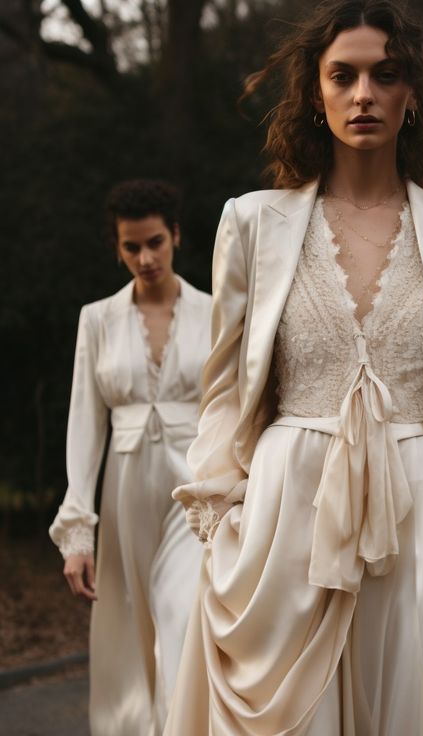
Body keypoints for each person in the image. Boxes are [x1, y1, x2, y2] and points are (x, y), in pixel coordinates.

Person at [165, 2, 423, 734]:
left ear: (413, 95)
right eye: (343, 75)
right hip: (285, 512)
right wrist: (225, 512)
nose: (364, 93)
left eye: (386, 74)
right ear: (315, 92)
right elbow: (224, 391)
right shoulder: (251, 223)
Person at [49, 179, 212, 736]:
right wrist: (78, 530)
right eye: (131, 247)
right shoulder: (97, 320)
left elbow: (234, 415)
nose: (145, 258)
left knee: (183, 613)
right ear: (117, 248)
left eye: (155, 243)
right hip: (124, 496)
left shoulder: (216, 314)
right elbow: (83, 426)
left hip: (195, 494)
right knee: (126, 630)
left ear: (176, 237)